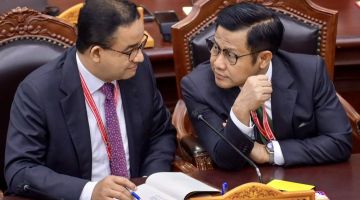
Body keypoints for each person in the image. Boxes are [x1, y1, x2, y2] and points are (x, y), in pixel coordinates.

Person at [4, 0, 176, 199]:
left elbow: (161, 133)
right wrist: (89, 191)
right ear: (96, 53)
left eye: (141, 45)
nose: (139, 57)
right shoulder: (38, 92)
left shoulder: (139, 70)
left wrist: (148, 182)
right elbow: (20, 169)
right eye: (130, 50)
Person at [181, 2, 352, 170]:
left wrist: (268, 153)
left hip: (305, 178)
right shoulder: (197, 86)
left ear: (263, 59)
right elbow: (225, 160)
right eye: (216, 48)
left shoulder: (310, 73)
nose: (217, 63)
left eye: (230, 55)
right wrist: (240, 110)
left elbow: (339, 143)